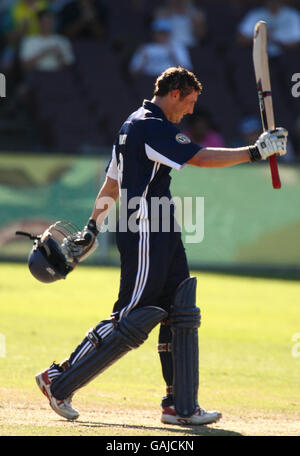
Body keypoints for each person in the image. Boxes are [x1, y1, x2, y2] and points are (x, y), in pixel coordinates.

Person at [35, 66, 288, 425]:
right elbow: (200, 157)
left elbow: (110, 187)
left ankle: (180, 405)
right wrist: (255, 151)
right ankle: (58, 379)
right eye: (189, 102)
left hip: (162, 228)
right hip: (144, 229)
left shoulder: (131, 125)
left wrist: (93, 227)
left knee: (180, 310)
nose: (190, 111)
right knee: (132, 317)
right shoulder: (150, 126)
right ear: (174, 93)